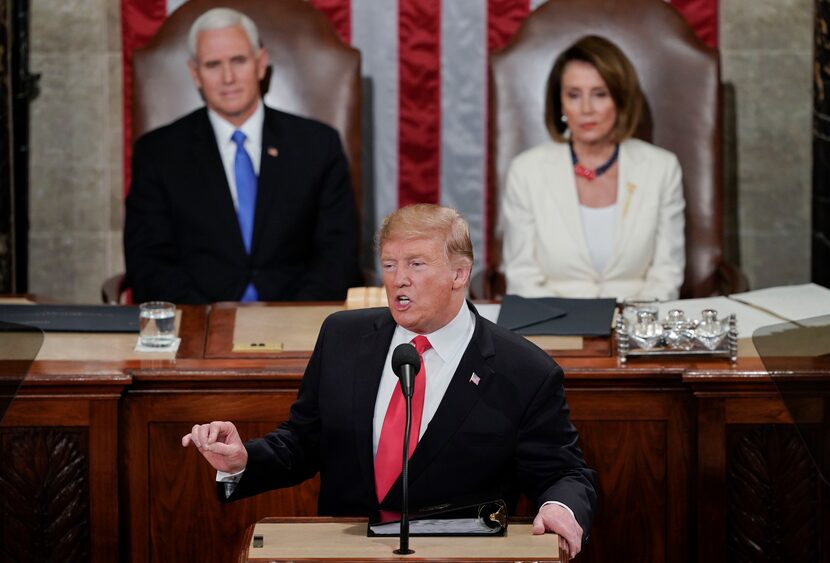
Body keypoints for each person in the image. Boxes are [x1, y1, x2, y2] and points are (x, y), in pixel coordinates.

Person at [182, 204, 598, 557]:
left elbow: (564, 473)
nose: (399, 279)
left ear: (459, 274)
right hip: (345, 555)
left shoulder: (522, 369)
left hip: (459, 557)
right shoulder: (343, 337)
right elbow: (304, 442)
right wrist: (243, 461)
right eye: (390, 265)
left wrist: (561, 506)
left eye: (416, 264)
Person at [124, 8, 362, 304]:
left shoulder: (317, 145)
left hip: (299, 320)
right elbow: (147, 260)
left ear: (260, 64)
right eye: (213, 65)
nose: (228, 78)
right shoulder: (159, 153)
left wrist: (294, 316)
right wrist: (205, 322)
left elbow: (337, 253)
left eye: (238, 60)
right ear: (195, 74)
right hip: (197, 324)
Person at [501, 35, 685, 301]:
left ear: (620, 100)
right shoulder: (526, 171)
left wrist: (631, 328)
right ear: (560, 104)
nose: (586, 109)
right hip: (555, 331)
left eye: (600, 94)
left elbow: (666, 275)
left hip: (636, 329)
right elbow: (522, 277)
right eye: (574, 95)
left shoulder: (662, 168)